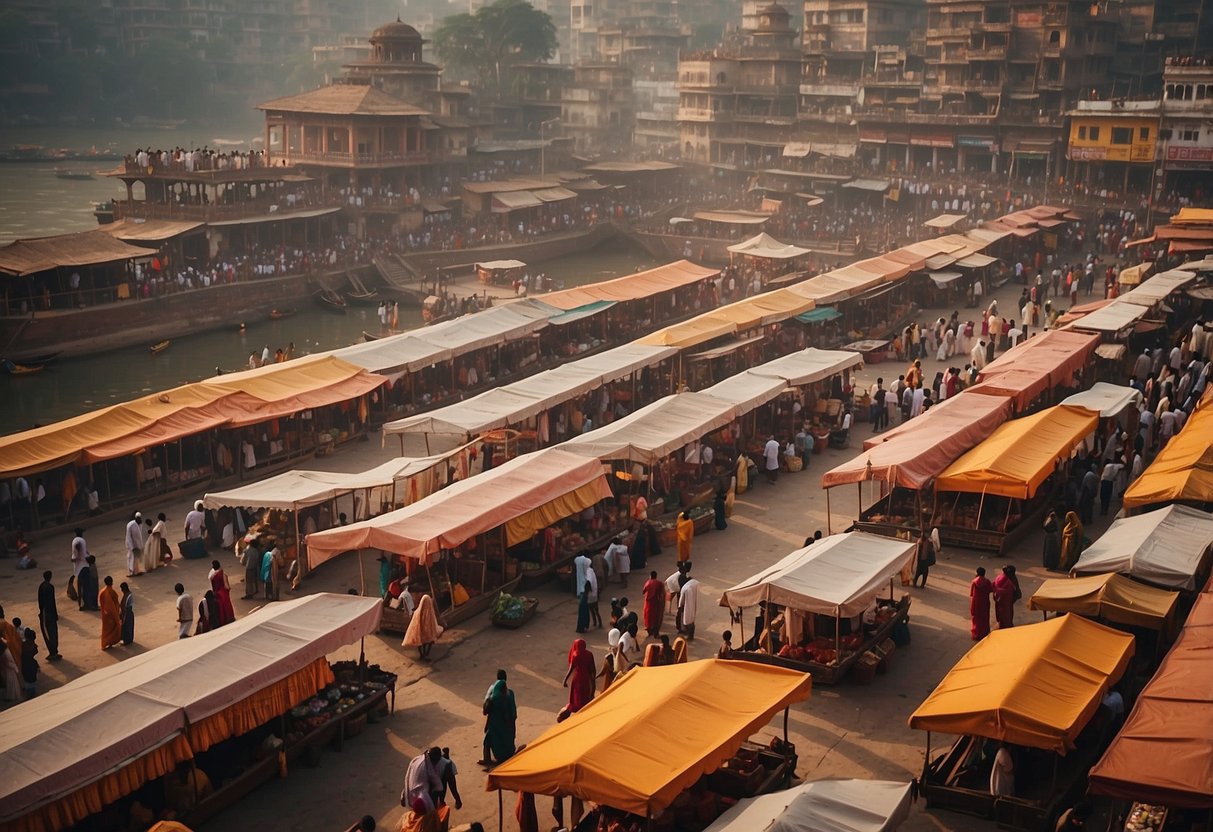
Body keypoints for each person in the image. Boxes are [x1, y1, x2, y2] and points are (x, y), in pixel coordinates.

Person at [481, 670, 517, 765]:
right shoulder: (510, 694)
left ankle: (487, 760)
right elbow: (513, 712)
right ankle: (507, 756)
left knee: (488, 741)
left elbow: (486, 712)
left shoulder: (494, 698)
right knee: (507, 741)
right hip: (507, 725)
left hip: (495, 726)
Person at [562, 638, 596, 719]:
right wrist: (593, 679)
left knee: (577, 696)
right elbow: (593, 669)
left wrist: (565, 680)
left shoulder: (575, 654)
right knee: (585, 694)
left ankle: (578, 711)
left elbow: (571, 669)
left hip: (577, 677)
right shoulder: (589, 654)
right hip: (586, 677)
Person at [403, 747, 444, 813]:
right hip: (421, 797)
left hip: (410, 793)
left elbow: (408, 775)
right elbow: (439, 786)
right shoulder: (428, 766)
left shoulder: (416, 759)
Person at [404, 594, 444, 659]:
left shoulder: (417, 612)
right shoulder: (429, 613)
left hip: (420, 633)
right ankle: (426, 654)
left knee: (420, 643)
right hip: (425, 633)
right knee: (429, 641)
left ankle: (422, 655)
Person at [37, 571, 61, 661]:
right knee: (52, 633)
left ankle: (52, 651)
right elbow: (52, 602)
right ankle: (53, 652)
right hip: (49, 613)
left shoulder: (41, 586)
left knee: (48, 633)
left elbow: (40, 600)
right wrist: (55, 614)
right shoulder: (50, 587)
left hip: (44, 613)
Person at [209, 560, 236, 626]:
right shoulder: (222, 573)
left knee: (220, 607)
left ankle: (222, 620)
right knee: (227, 606)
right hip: (223, 592)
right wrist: (228, 588)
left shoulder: (211, 575)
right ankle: (229, 618)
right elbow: (226, 585)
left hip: (216, 592)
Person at [992, 565, 1020, 629]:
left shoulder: (999, 577)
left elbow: (994, 586)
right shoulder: (1009, 579)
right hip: (1006, 601)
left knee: (1002, 614)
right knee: (1007, 614)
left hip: (1001, 600)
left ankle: (1002, 624)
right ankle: (1006, 625)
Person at [969, 567, 993, 641]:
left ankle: (976, 633)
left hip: (976, 602)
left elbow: (971, 593)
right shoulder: (987, 581)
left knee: (976, 618)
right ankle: (984, 633)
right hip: (985, 601)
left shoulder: (974, 581)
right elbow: (991, 590)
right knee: (984, 617)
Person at [99, 576, 122, 649]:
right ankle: (106, 643)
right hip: (109, 614)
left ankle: (109, 643)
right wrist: (115, 614)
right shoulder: (106, 592)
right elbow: (110, 606)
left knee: (108, 629)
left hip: (106, 614)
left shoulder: (104, 591)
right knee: (109, 630)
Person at [678, 570, 700, 639]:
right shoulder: (694, 582)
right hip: (694, 602)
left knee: (687, 619)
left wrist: (679, 606)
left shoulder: (684, 588)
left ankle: (688, 634)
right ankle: (691, 635)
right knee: (692, 619)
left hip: (687, 605)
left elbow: (681, 601)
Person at [642, 570, 664, 637]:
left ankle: (649, 630)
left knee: (648, 616)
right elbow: (662, 593)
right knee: (656, 616)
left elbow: (643, 591)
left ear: (650, 576)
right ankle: (655, 631)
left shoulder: (648, 582)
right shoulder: (659, 583)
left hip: (648, 602)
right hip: (656, 602)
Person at [20, 628, 38, 699]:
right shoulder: (34, 646)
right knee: (32, 678)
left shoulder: (24, 645)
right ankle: (32, 692)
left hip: (25, 664)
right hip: (32, 664)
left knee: (27, 679)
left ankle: (30, 693)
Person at [125, 511, 144, 577]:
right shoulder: (131, 525)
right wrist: (132, 547)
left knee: (136, 559)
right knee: (131, 558)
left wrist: (140, 546)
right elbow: (129, 537)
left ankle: (136, 571)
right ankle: (130, 572)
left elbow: (140, 536)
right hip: (131, 545)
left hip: (137, 545)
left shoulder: (140, 524)